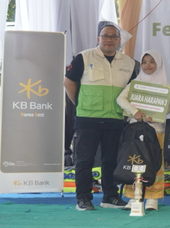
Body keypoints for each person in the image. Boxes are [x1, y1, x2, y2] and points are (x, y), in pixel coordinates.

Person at [63, 22, 135, 211]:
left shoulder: (128, 63)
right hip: (88, 118)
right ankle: (83, 199)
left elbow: (134, 90)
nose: (109, 40)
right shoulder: (84, 57)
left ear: (119, 41)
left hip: (115, 118)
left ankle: (110, 197)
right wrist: (80, 104)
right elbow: (68, 82)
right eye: (105, 36)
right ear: (98, 38)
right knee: (84, 160)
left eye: (113, 36)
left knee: (111, 160)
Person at [116, 50, 170, 211]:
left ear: (159, 64)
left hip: (156, 131)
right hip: (135, 130)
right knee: (133, 162)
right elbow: (120, 98)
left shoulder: (163, 84)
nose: (147, 65)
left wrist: (156, 116)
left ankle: (152, 199)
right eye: (144, 62)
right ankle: (132, 196)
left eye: (152, 61)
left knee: (154, 164)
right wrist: (135, 111)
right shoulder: (136, 83)